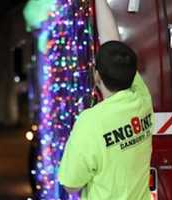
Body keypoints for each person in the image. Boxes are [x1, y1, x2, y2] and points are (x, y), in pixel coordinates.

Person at [59, 0, 155, 199]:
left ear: (97, 77)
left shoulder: (91, 123)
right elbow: (113, 40)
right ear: (132, 73)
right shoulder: (141, 97)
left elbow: (70, 185)